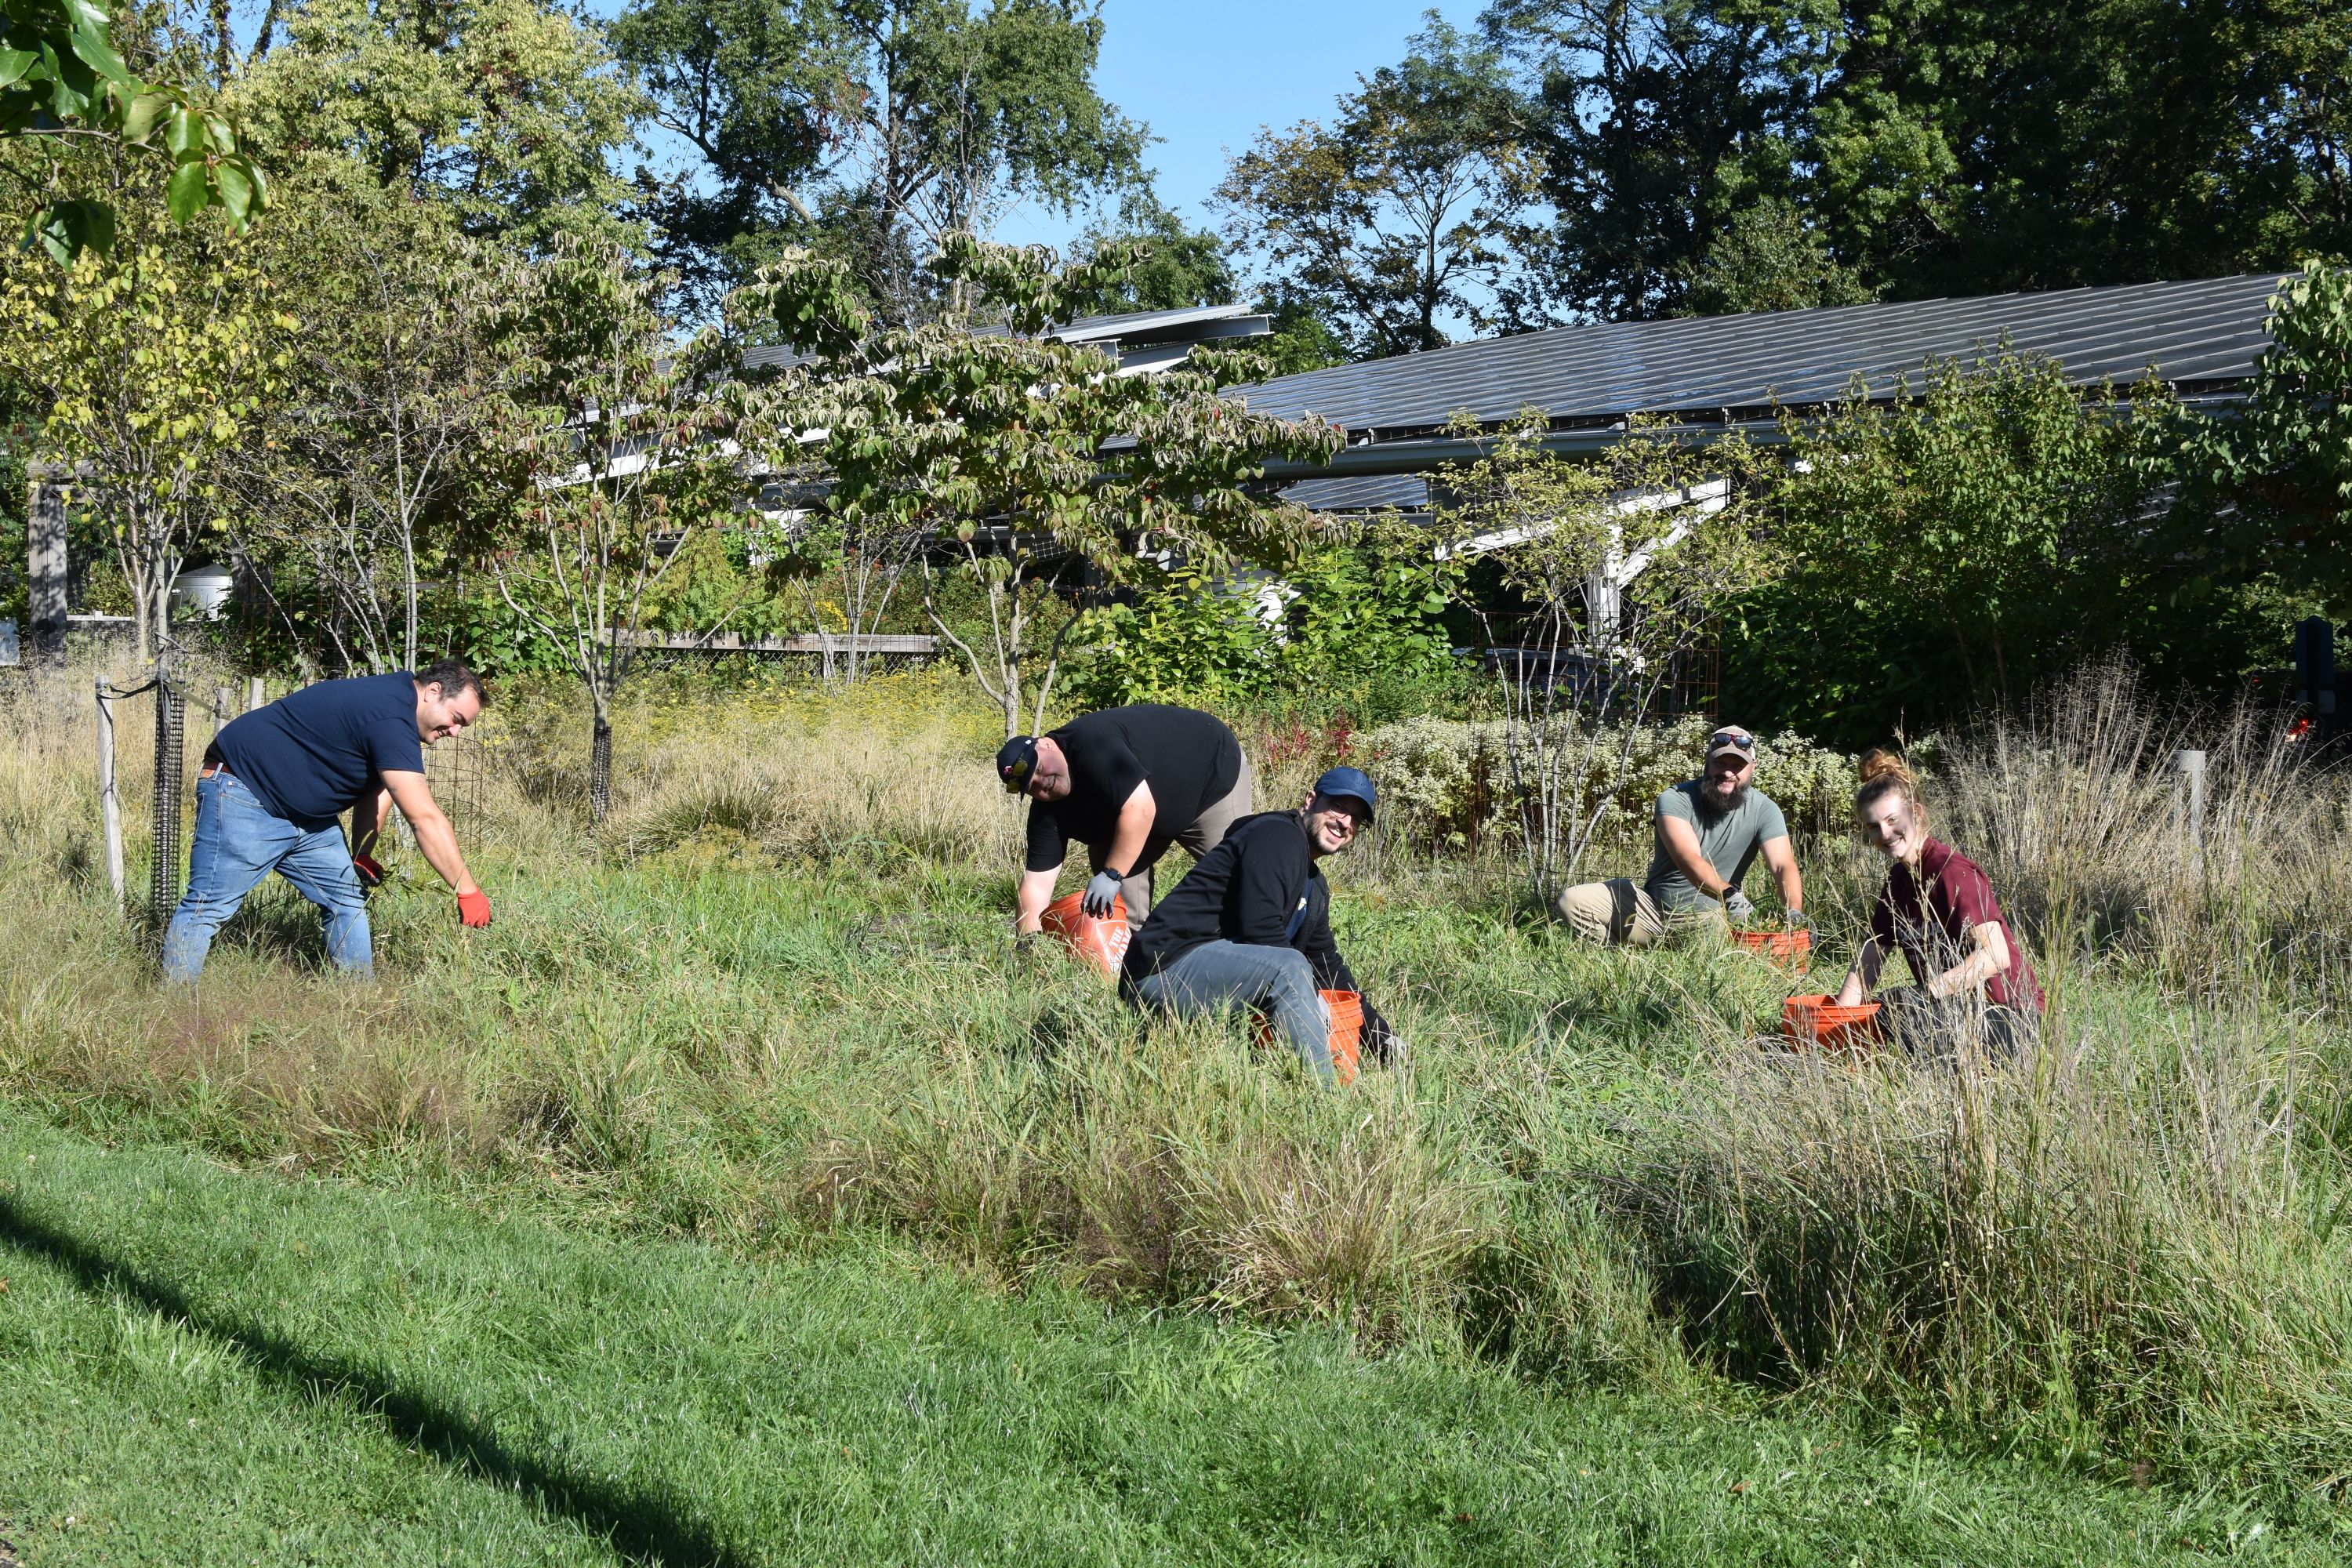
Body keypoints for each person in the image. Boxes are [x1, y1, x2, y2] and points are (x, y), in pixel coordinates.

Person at [160, 660, 492, 983]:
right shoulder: (388, 712)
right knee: (208, 906)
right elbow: (424, 818)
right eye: (456, 719)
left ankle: (356, 1002)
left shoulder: (398, 708)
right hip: (246, 791)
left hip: (307, 818)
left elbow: (380, 789)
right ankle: (176, 1007)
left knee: (346, 900)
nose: (455, 732)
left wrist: (363, 852)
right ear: (433, 691)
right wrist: (466, 889)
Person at [1120, 766, 1402, 1080]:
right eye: (1338, 807)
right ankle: (1327, 1099)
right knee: (1289, 967)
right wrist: (1311, 1001)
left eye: (1356, 819)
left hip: (1205, 980)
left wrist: (1384, 1041)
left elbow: (1328, 968)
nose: (1345, 822)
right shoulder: (1277, 835)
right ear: (1310, 801)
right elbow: (1259, 930)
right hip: (1161, 972)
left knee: (1299, 968)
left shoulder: (1314, 885)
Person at [1834, 750, 2044, 1058]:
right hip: (1959, 1011)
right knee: (1892, 1010)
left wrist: (1926, 994)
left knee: (1904, 1012)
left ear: (1915, 813)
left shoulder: (1951, 872)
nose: (1885, 833)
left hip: (2013, 1018)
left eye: (1893, 820)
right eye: (1874, 826)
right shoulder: (1898, 881)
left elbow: (1996, 955)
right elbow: (1870, 958)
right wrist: (1834, 1021)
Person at [997, 703, 1254, 930]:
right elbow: (1037, 884)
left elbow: (1141, 809)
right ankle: (1133, 969)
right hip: (1133, 815)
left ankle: (1272, 947)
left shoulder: (1092, 744)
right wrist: (1029, 945)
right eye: (1032, 786)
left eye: (1040, 768)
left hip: (1207, 776)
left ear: (1047, 744)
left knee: (1242, 879)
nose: (1044, 783)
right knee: (1118, 914)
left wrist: (1110, 876)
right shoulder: (1047, 811)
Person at [1556, 724, 1804, 945]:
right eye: (1721, 763)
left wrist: (1794, 913)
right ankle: (1611, 960)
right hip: (1653, 912)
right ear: (1707, 761)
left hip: (1715, 920)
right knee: (1573, 900)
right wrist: (1731, 895)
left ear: (1752, 768)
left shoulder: (1765, 809)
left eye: (1738, 765)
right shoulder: (1675, 798)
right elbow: (1688, 859)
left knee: (1757, 950)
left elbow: (1783, 865)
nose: (1728, 772)